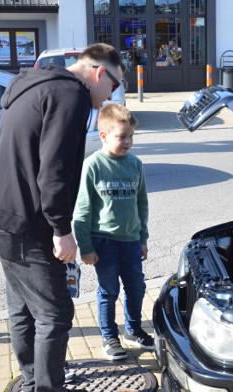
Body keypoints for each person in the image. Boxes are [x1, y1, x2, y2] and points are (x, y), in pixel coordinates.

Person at [0, 43, 124, 392]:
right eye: (114, 86)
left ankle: (36, 390)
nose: (111, 97)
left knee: (23, 309)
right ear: (98, 73)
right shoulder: (69, 95)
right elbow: (54, 171)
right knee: (55, 314)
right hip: (29, 221)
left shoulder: (33, 85)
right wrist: (62, 230)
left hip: (2, 212)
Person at [73, 103, 153, 362]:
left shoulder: (135, 164)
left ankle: (134, 329)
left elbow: (142, 204)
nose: (128, 142)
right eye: (122, 136)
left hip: (130, 242)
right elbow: (82, 209)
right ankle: (109, 337)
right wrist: (85, 246)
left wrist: (142, 239)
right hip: (104, 242)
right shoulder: (93, 165)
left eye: (131, 136)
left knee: (137, 288)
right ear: (104, 136)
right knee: (108, 291)